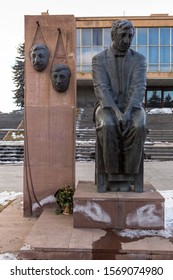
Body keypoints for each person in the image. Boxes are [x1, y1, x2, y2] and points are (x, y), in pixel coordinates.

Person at [92, 19, 147, 192]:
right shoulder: (99, 59)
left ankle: (130, 174)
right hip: (107, 107)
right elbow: (101, 88)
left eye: (130, 36)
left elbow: (139, 87)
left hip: (133, 106)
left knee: (139, 125)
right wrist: (117, 112)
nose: (126, 40)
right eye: (122, 35)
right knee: (108, 124)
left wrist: (128, 111)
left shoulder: (139, 59)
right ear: (113, 35)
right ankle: (112, 174)